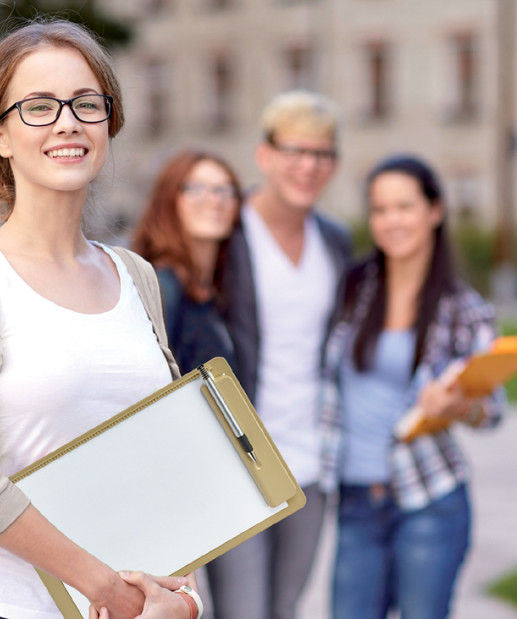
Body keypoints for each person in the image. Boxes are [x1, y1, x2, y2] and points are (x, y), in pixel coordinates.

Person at [0, 18, 202, 619]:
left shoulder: (136, 276)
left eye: (85, 103)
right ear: (0, 135)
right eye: (38, 107)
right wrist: (104, 589)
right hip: (5, 607)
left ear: (108, 123)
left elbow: (172, 452)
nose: (67, 121)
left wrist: (182, 596)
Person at [318, 154, 506, 618]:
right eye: (380, 210)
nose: (390, 221)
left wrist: (456, 406)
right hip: (357, 501)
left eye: (404, 207)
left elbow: (493, 410)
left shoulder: (464, 308)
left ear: (434, 211)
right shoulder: (354, 288)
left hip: (429, 499)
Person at [207, 90, 352, 619]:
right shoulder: (226, 229)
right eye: (296, 150)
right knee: (243, 611)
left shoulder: (334, 239)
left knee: (284, 608)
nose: (309, 166)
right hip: (237, 460)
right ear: (265, 154)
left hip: (310, 461)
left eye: (322, 154)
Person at [132, 150, 241, 373]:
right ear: (169, 199)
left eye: (225, 190)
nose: (215, 200)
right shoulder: (163, 287)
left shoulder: (217, 290)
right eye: (196, 188)